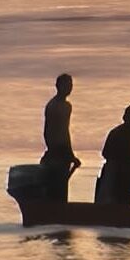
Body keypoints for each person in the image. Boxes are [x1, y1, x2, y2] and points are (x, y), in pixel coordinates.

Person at [40, 73, 81, 202]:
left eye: (71, 85)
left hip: (63, 152)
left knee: (61, 192)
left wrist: (70, 154)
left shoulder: (67, 106)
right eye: (66, 85)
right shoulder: (53, 106)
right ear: (58, 86)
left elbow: (65, 131)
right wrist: (58, 151)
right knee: (55, 191)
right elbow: (50, 131)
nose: (69, 88)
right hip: (56, 152)